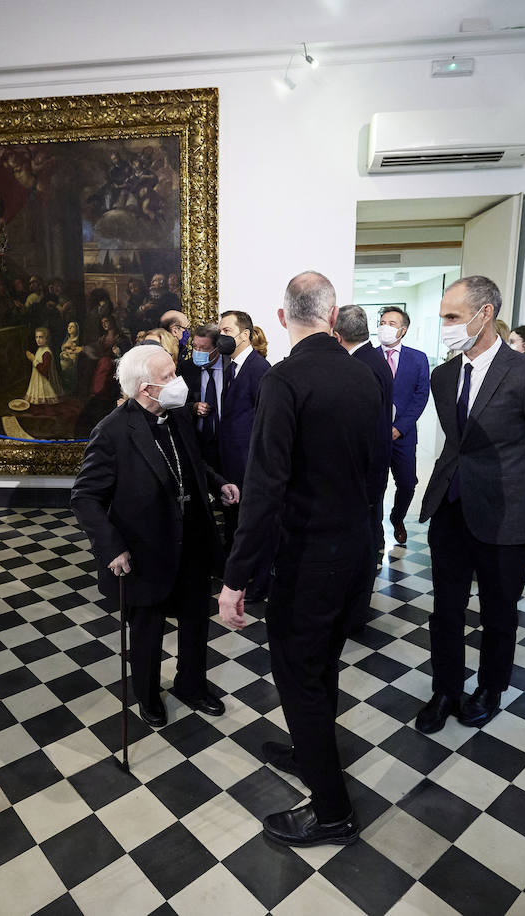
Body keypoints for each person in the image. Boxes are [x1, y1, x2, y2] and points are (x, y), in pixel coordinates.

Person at [217, 271, 382, 847]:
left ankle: (331, 813)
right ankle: (307, 751)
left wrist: (236, 577)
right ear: (334, 316)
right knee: (322, 666)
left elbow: (264, 486)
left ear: (283, 319)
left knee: (298, 676)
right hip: (355, 549)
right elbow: (376, 468)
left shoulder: (285, 380)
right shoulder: (366, 374)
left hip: (309, 556)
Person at [416, 276, 525, 734]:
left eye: (452, 316)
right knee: (445, 608)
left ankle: (490, 688)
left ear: (484, 314)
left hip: (507, 514)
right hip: (451, 506)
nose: (444, 325)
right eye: (442, 316)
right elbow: (458, 441)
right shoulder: (442, 376)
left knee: (499, 609)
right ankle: (445, 688)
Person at [72, 345, 240, 728]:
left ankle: (191, 686)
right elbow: (84, 497)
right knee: (147, 633)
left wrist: (218, 484)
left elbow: (193, 464)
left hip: (192, 543)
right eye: (168, 377)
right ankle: (147, 696)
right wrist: (111, 547)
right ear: (144, 388)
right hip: (145, 551)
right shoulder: (113, 431)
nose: (178, 382)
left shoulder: (177, 416)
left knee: (197, 622)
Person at [335, 304, 394, 634]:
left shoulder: (362, 366)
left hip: (366, 470)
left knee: (363, 542)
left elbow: (364, 428)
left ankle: (355, 612)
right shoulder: (371, 359)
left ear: (337, 334)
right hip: (371, 467)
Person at [217, 309, 272, 598]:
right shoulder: (231, 367)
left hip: (249, 462)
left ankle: (259, 584)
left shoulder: (259, 368)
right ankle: (240, 576)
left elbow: (264, 423)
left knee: (254, 525)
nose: (221, 336)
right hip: (232, 461)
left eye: (227, 331)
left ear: (244, 335)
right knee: (236, 522)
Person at [376, 306, 431, 546]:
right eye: (382, 322)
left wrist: (400, 427)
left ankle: (397, 518)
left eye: (391, 323)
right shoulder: (368, 357)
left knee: (407, 483)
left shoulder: (417, 358)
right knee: (376, 485)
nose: (385, 327)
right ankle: (375, 532)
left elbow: (421, 395)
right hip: (374, 435)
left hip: (404, 434)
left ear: (403, 329)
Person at [181, 323, 223, 470]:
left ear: (217, 349)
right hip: (197, 442)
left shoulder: (230, 368)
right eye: (195, 346)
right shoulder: (185, 368)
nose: (197, 352)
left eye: (204, 348)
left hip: (225, 442)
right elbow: (176, 405)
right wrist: (193, 407)